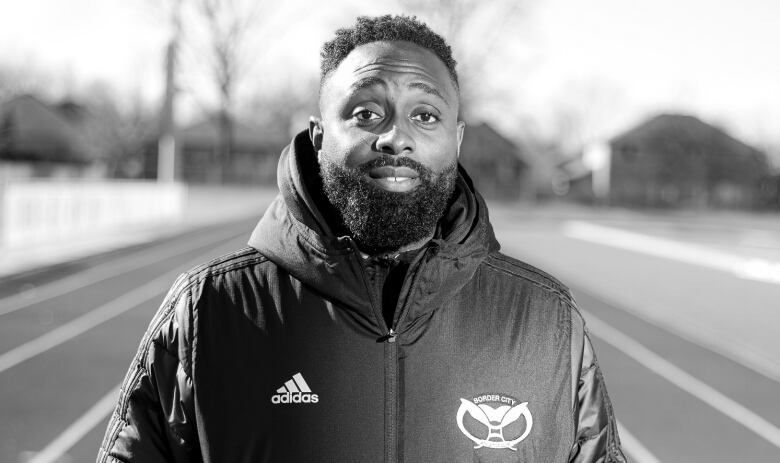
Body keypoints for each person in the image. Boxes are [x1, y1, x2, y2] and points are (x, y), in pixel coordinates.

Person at [98, 14, 626, 463]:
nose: (396, 136)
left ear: (457, 139)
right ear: (319, 133)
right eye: (366, 113)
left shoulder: (546, 321)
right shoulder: (208, 312)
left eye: (425, 115)